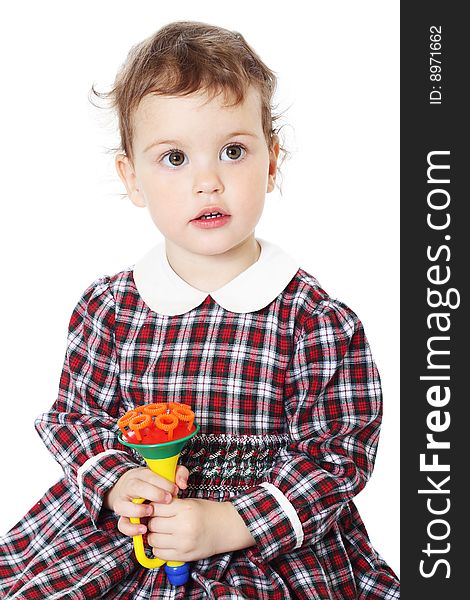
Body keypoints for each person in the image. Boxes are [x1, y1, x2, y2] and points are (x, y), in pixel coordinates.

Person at [0, 20, 399, 599]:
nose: (207, 181)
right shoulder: (109, 309)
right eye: (174, 158)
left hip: (263, 544)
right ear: (131, 176)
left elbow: (337, 456)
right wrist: (118, 484)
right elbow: (76, 419)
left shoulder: (316, 322)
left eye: (232, 151)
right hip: (130, 533)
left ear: (271, 161)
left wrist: (229, 523)